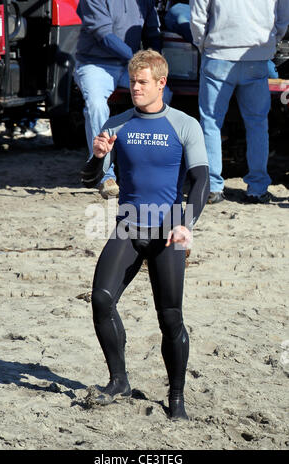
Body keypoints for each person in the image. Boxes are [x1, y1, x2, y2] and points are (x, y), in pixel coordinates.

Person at [81, 49, 209, 420]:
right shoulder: (117, 125)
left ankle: (178, 398)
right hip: (127, 227)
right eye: (132, 81)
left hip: (167, 230)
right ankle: (118, 380)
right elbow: (91, 179)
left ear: (161, 84)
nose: (135, 88)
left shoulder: (185, 125)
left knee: (170, 318)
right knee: (102, 300)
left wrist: (188, 223)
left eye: (142, 82)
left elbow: (200, 179)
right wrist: (96, 157)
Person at [190, 0, 289, 204]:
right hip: (257, 55)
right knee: (258, 124)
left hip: (218, 53)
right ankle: (257, 187)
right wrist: (269, 45)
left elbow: (197, 18)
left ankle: (213, 187)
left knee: (211, 122)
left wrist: (205, 46)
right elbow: (282, 19)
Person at [74, 0, 172, 199]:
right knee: (96, 105)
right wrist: (139, 59)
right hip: (96, 63)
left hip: (130, 63)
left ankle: (152, 166)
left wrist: (156, 61)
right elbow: (104, 36)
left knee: (164, 94)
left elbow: (152, 32)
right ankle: (104, 175)